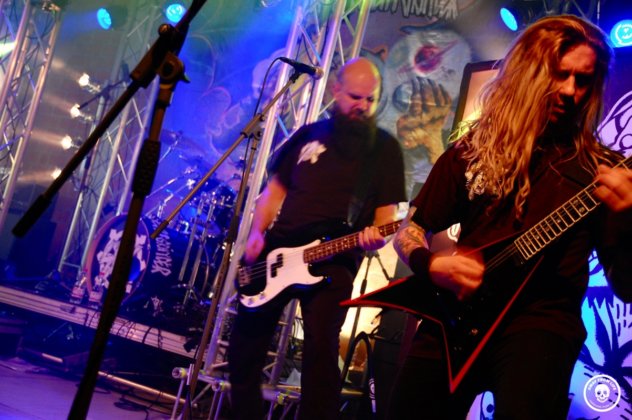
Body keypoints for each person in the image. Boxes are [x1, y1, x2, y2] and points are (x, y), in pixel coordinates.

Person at [387, 15, 632, 419]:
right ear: (528, 73)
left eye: (583, 80)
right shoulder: (472, 152)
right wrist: (430, 264)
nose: (570, 90)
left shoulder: (604, 170)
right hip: (455, 319)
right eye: (559, 74)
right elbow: (408, 231)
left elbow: (627, 287)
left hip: (542, 324)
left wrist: (625, 221)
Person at [227, 57, 407, 419]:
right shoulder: (308, 135)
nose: (363, 106)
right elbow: (273, 193)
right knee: (244, 345)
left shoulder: (384, 149)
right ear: (335, 91)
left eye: (371, 100)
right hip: (277, 251)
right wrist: (257, 234)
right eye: (355, 97)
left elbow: (386, 221)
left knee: (321, 353)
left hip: (335, 259)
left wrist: (375, 238)